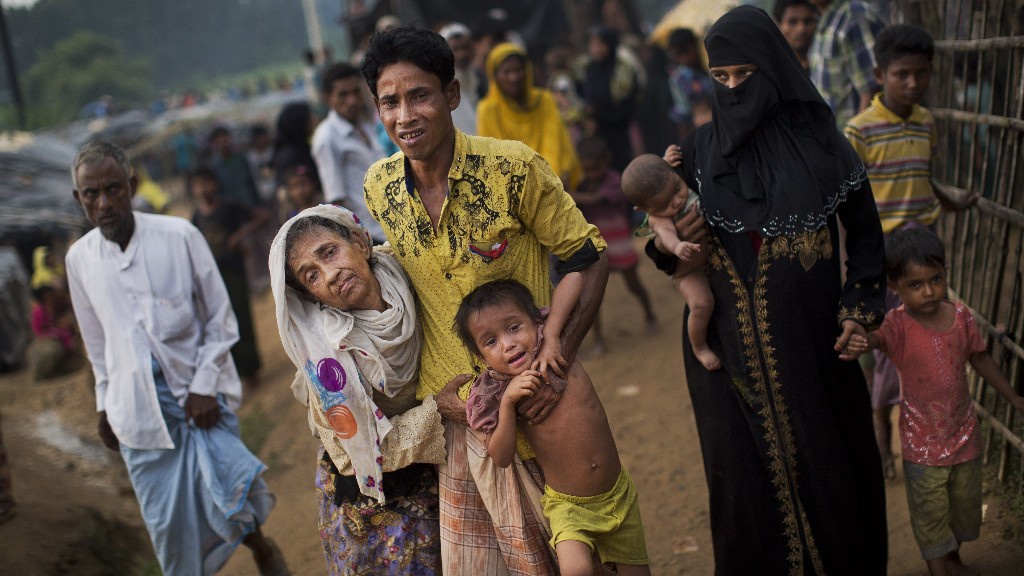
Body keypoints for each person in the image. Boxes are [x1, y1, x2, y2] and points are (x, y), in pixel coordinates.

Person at [644, 7, 888, 574]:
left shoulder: (823, 142)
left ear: (775, 68)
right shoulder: (698, 153)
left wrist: (859, 309)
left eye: (745, 75)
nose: (732, 89)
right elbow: (662, 249)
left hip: (813, 350)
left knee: (832, 472)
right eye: (721, 77)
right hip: (727, 365)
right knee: (747, 496)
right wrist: (674, 239)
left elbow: (868, 231)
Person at [360, 26, 609, 574]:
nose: (405, 116)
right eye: (390, 102)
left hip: (544, 412)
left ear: (451, 95)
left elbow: (585, 255)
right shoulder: (379, 187)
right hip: (461, 425)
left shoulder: (512, 168)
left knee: (584, 557)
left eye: (420, 95)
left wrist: (556, 363)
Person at [65, 141, 288, 576]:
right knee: (166, 527)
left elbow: (220, 320)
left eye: (113, 189)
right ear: (79, 199)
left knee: (229, 492)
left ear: (131, 186)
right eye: (91, 194)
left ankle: (263, 550)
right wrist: (104, 405)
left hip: (198, 399)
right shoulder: (80, 260)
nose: (104, 203)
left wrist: (204, 386)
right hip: (137, 414)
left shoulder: (179, 236)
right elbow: (98, 345)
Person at [270, 205, 447, 575]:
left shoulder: (410, 269)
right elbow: (356, 454)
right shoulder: (327, 361)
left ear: (361, 242)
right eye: (312, 275)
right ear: (312, 296)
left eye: (330, 252)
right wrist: (439, 409)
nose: (331, 274)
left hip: (438, 462)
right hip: (369, 493)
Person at [846, 228, 1024, 576]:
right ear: (894, 287)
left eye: (936, 279)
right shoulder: (897, 325)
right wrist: (858, 339)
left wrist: (1014, 396)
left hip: (964, 437)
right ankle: (938, 570)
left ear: (945, 274)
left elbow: (981, 358)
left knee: (963, 507)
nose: (928, 291)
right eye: (915, 284)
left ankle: (954, 559)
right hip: (921, 445)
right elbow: (875, 340)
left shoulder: (962, 318)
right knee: (930, 513)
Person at [843, 23, 978, 482]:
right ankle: (883, 441)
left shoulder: (926, 122)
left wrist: (948, 200)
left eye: (921, 74)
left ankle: (934, 438)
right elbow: (848, 199)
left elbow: (921, 176)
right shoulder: (858, 132)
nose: (913, 83)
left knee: (928, 346)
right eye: (902, 74)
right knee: (887, 351)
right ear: (881, 73)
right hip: (885, 262)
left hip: (923, 256)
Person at [457, 278, 650, 575]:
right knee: (576, 570)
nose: (507, 344)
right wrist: (508, 404)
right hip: (569, 507)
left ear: (537, 322)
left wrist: (554, 335)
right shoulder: (496, 391)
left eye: (513, 327)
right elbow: (500, 456)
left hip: (618, 493)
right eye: (491, 341)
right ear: (481, 358)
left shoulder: (556, 347)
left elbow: (574, 279)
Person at [623, 154, 718, 371]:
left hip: (714, 262)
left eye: (676, 190)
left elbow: (660, 174)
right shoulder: (658, 217)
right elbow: (665, 234)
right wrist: (676, 246)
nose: (676, 201)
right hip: (689, 274)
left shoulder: (668, 180)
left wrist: (667, 160)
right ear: (644, 209)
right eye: (665, 204)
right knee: (702, 304)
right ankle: (700, 346)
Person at [571, 137, 656, 353]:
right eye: (587, 169)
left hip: (619, 243)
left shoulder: (614, 180)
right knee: (592, 296)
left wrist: (571, 195)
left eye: (595, 168)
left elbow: (597, 199)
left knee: (633, 284)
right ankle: (598, 338)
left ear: (605, 161)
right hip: (596, 246)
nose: (591, 174)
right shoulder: (581, 183)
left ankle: (649, 313)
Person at [189, 167, 270, 390]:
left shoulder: (229, 206)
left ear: (215, 184)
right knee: (222, 322)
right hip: (213, 277)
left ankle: (251, 371)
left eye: (206, 182)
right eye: (197, 184)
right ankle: (240, 372)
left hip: (234, 272)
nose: (202, 188)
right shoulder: (196, 216)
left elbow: (263, 217)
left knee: (241, 319)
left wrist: (239, 237)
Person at [477, 42, 582, 192]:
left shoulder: (545, 100)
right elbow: (495, 157)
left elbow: (555, 144)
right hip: (513, 188)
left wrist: (548, 182)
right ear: (494, 76)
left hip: (553, 183)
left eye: (518, 70)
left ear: (527, 70)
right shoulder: (488, 110)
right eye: (506, 72)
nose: (513, 77)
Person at [311, 63, 387, 243]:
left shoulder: (365, 125)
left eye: (356, 92)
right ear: (328, 98)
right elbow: (336, 199)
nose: (352, 100)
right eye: (343, 95)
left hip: (390, 223)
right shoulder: (327, 137)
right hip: (369, 232)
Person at [808, 0, 886, 127]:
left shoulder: (853, 15)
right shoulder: (827, 17)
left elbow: (871, 90)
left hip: (851, 139)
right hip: (833, 136)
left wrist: (857, 140)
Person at [581, 26, 640, 172]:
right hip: (598, 132)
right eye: (593, 44)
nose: (596, 49)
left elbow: (628, 103)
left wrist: (601, 113)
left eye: (601, 44)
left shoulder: (622, 70)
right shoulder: (590, 69)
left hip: (619, 129)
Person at [666, 28, 714, 140]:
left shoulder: (710, 67)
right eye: (679, 54)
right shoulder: (679, 80)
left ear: (695, 46)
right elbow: (683, 115)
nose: (684, 58)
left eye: (686, 51)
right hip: (701, 131)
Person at [439, 22, 480, 135]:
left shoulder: (481, 78)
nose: (462, 54)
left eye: (465, 48)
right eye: (456, 49)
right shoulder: (441, 84)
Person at [772, 0, 819, 72]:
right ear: (778, 25)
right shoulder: (773, 70)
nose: (801, 29)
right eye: (793, 22)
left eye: (808, 21)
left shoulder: (827, 65)